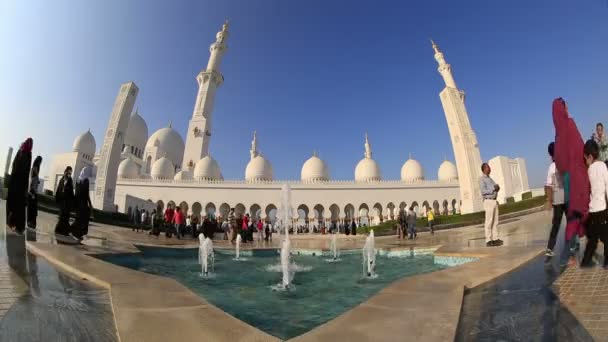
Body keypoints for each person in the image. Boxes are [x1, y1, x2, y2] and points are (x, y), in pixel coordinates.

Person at [552, 98, 590, 267]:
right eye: (565, 105)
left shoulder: (558, 132)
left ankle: (572, 254)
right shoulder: (569, 124)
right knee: (579, 214)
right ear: (563, 108)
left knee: (573, 215)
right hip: (577, 176)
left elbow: (559, 162)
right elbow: (581, 147)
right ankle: (571, 255)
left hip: (567, 178)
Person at [581, 140, 608, 268]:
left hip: (593, 210)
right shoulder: (603, 166)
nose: (585, 160)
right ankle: (606, 262)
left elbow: (587, 189)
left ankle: (586, 261)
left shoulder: (589, 169)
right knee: (605, 237)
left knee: (592, 239)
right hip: (602, 209)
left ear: (590, 156)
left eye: (585, 157)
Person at [6, 138, 33, 234]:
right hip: (21, 184)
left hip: (15, 182)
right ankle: (17, 226)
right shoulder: (28, 154)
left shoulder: (20, 151)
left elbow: (14, 166)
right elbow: (26, 172)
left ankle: (12, 222)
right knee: (19, 205)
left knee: (14, 204)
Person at [544, 142, 567, 257]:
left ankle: (550, 248)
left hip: (558, 200)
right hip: (566, 198)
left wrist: (549, 200)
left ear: (551, 155)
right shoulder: (564, 163)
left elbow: (548, 185)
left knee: (556, 224)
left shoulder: (551, 167)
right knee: (571, 221)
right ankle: (573, 244)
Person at [480, 163, 502, 247]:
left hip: (494, 201)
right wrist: (493, 188)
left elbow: (494, 188)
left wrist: (497, 188)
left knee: (495, 221)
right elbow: (483, 191)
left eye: (489, 167)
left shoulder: (491, 179)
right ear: (484, 169)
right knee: (489, 221)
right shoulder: (482, 179)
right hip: (488, 201)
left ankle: (495, 238)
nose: (489, 168)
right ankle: (488, 239)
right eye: (487, 167)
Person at [70, 167, 92, 240]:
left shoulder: (77, 180)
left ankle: (74, 231)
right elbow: (86, 193)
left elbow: (76, 192)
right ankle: (77, 233)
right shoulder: (86, 180)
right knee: (83, 219)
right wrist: (90, 203)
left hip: (77, 202)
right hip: (83, 203)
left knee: (78, 218)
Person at [54, 166, 74, 236]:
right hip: (62, 200)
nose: (69, 173)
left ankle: (64, 231)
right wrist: (57, 198)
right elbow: (59, 188)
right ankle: (59, 230)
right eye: (69, 172)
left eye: (70, 172)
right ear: (65, 171)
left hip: (67, 201)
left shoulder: (70, 180)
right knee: (62, 215)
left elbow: (71, 191)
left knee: (66, 216)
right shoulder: (62, 179)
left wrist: (72, 201)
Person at [27, 155, 42, 230]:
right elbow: (32, 183)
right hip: (32, 193)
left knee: (32, 209)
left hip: (32, 193)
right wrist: (32, 193)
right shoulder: (34, 169)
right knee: (32, 209)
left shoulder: (34, 170)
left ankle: (31, 223)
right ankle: (30, 223)